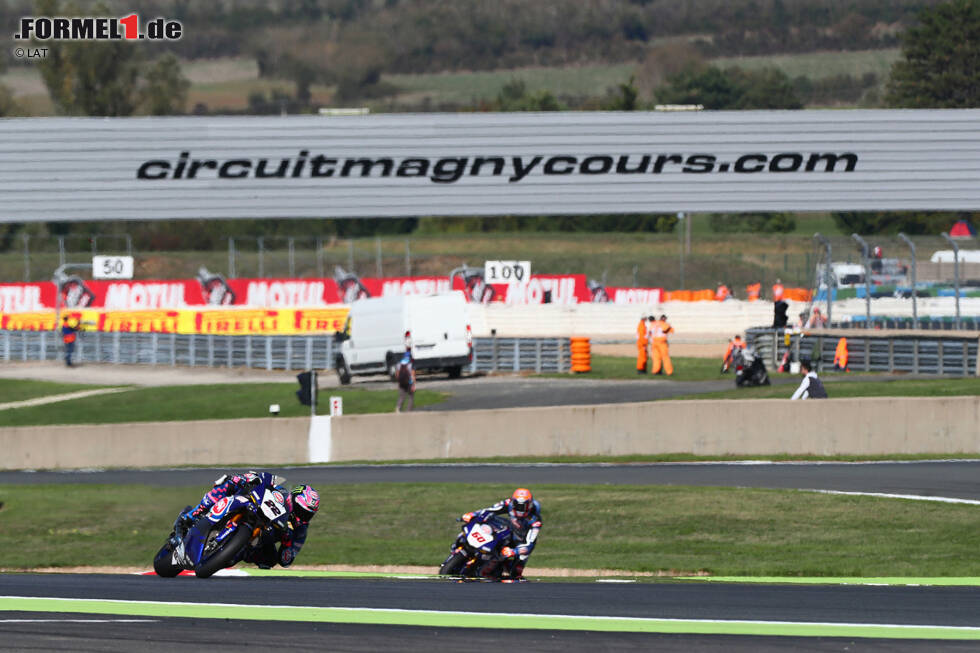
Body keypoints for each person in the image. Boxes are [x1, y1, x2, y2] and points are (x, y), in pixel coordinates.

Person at [177, 471, 320, 568]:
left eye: (308, 514)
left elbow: (286, 560)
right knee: (229, 483)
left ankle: (234, 552)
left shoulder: (301, 530)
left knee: (270, 560)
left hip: (262, 535)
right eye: (301, 510)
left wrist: (287, 542)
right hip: (253, 506)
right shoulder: (282, 494)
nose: (302, 516)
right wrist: (251, 479)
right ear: (293, 499)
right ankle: (193, 514)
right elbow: (264, 480)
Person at [461, 488, 542, 580]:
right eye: (517, 505)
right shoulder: (508, 503)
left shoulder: (535, 521)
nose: (520, 509)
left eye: (523, 506)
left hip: (521, 540)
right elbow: (490, 509)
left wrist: (514, 551)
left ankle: (488, 572)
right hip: (509, 532)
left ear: (529, 505)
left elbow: (530, 543)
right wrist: (473, 514)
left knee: (517, 567)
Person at [395, 348, 416, 412]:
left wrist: (399, 382)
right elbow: (412, 376)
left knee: (401, 396)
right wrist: (413, 385)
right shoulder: (411, 365)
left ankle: (398, 408)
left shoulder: (399, 365)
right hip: (409, 382)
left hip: (401, 383)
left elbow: (397, 375)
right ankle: (408, 410)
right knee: (411, 397)